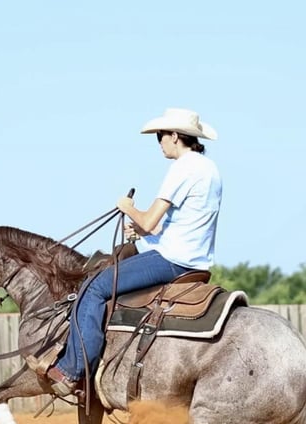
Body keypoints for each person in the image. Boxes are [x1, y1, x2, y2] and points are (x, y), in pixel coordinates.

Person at [45, 108, 223, 397]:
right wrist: (141, 230)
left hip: (172, 259)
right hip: (194, 257)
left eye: (160, 137)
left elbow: (150, 219)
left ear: (175, 136)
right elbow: (182, 221)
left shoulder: (182, 168)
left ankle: (73, 371)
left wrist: (129, 210)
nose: (160, 143)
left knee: (94, 287)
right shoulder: (209, 168)